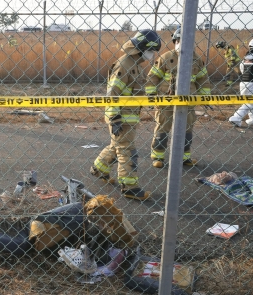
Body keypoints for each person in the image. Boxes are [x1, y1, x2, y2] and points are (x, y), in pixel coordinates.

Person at [90, 29, 161, 201]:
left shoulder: (134, 64)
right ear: (141, 48)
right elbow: (112, 93)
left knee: (117, 145)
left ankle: (99, 169)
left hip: (127, 117)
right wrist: (115, 118)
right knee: (127, 150)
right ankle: (129, 187)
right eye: (151, 51)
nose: (152, 55)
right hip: (121, 118)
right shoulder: (125, 64)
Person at [145, 28, 211, 168]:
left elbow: (203, 80)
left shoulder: (197, 60)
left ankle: (184, 157)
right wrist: (151, 96)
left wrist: (206, 98)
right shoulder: (166, 57)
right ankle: (158, 157)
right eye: (180, 40)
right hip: (166, 102)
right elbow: (153, 77)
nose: (184, 43)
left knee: (187, 129)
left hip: (187, 103)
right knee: (163, 128)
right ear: (175, 41)